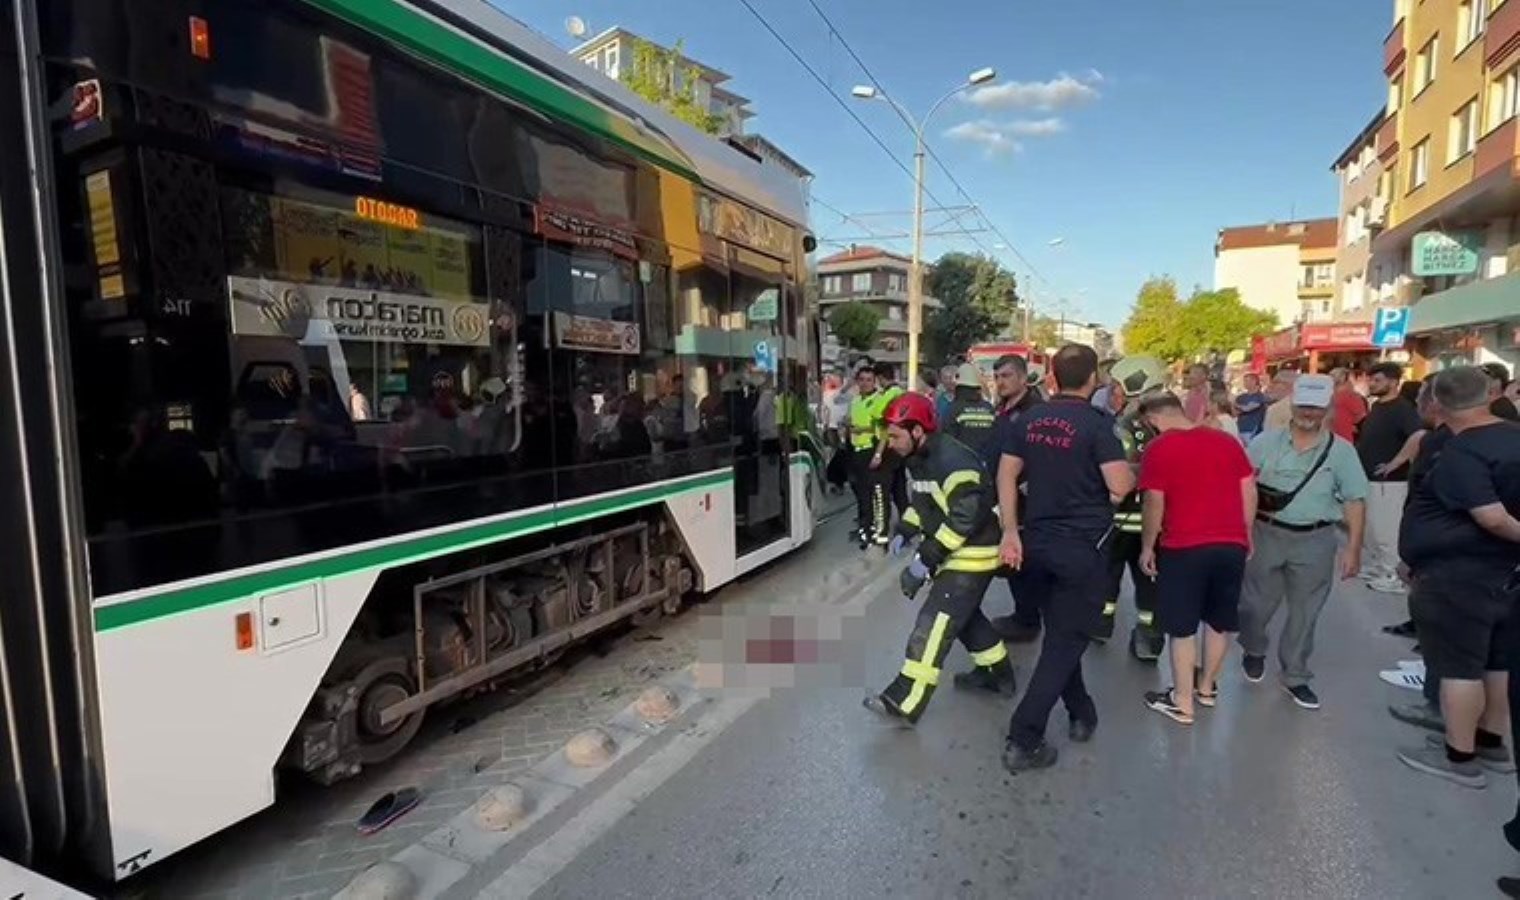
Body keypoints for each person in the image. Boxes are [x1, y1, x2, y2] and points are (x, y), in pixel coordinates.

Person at [997, 344, 1134, 772]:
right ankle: (1025, 737)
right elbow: (1119, 486)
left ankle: (1082, 714)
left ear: (1051, 378)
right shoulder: (1098, 425)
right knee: (1064, 644)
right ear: (1093, 379)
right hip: (1083, 549)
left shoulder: (1030, 419)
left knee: (1061, 631)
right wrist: (1131, 469)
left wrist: (1010, 531)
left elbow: (1006, 474)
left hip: (1036, 545)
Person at [1395, 367, 1520, 788]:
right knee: (1496, 662)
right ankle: (1491, 741)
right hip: (1504, 573)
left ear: (1438, 404)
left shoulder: (1462, 450)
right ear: (1489, 393)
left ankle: (1459, 756)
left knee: (1459, 667)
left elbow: (1491, 517)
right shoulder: (1514, 436)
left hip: (1459, 575)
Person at [864, 393, 1015, 724]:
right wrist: (905, 527)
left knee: (934, 625)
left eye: (895, 436)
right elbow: (926, 506)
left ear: (918, 431)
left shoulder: (952, 461)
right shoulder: (922, 458)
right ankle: (997, 672)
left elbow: (964, 517)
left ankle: (905, 699)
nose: (890, 443)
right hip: (959, 550)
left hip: (973, 554)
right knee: (964, 618)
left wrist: (926, 560)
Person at [1237, 374, 1368, 710]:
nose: (1309, 413)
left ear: (1327, 410)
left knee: (1305, 613)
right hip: (1265, 533)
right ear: (1293, 405)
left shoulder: (1341, 451)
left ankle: (1295, 675)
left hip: (1316, 539)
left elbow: (1355, 499)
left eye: (1316, 407)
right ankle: (1253, 648)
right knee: (1254, 606)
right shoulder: (1265, 443)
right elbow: (1243, 487)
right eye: (1304, 405)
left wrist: (1353, 548)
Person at [1133, 393, 1255, 725]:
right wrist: (1246, 535)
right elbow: (1248, 489)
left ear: (1155, 419)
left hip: (1184, 546)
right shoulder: (1226, 442)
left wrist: (1147, 546)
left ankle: (1182, 702)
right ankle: (1207, 688)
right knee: (1218, 621)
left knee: (1182, 627)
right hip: (1230, 544)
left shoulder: (1160, 448)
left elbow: (1154, 502)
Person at [1095, 354, 1170, 660]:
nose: (1113, 393)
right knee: (1150, 582)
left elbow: (1118, 473)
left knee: (1107, 576)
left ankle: (1100, 624)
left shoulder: (1122, 426)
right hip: (1158, 520)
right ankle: (1149, 639)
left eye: (1116, 387)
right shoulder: (1168, 422)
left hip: (1121, 519)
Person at [985, 354, 1044, 644]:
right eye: (997, 377)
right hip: (1002, 493)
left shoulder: (1034, 411)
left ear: (1023, 378)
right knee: (1013, 561)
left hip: (1023, 498)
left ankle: (1027, 619)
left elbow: (1041, 455)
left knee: (1021, 561)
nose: (1000, 382)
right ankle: (1025, 614)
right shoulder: (1003, 408)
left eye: (1006, 376)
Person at [1356, 361, 1424, 594]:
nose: (1372, 384)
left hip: (1390, 481)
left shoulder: (1402, 408)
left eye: (1378, 380)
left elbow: (1418, 435)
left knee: (1387, 529)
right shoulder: (1377, 407)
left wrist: (1396, 462)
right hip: (1369, 476)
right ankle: (1378, 565)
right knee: (1372, 527)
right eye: (1371, 380)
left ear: (1393, 382)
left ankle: (1393, 574)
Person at [845, 365, 886, 546]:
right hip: (855, 451)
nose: (865, 383)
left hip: (871, 449)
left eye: (869, 380)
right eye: (862, 380)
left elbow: (883, 429)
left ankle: (875, 531)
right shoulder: (855, 401)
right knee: (860, 493)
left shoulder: (878, 400)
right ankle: (864, 527)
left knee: (873, 494)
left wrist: (878, 454)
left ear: (874, 381)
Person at [944, 362, 998, 457]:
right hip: (986, 465)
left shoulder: (953, 409)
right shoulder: (989, 408)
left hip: (961, 463)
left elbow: (946, 440)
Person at [1329, 367, 1368, 443]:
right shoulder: (1351, 396)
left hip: (1330, 439)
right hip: (1346, 440)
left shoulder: (1328, 396)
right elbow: (1363, 422)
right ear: (1346, 381)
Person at [1263, 369, 1299, 433]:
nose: (1270, 386)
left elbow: (1270, 437)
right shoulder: (1308, 407)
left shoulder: (1276, 409)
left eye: (1275, 382)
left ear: (1289, 385)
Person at [1236, 373, 1268, 442]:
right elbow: (1235, 412)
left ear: (1254, 381)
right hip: (1240, 428)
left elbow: (1247, 408)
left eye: (1247, 381)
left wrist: (1237, 406)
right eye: (1244, 381)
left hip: (1253, 429)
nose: (1245, 383)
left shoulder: (1260, 396)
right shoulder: (1240, 397)